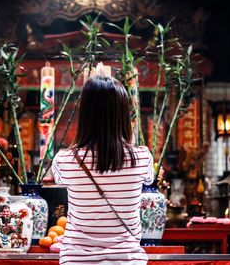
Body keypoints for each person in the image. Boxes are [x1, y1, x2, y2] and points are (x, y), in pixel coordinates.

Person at [52, 75, 154, 264]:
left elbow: (59, 181)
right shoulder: (142, 157)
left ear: (84, 114)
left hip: (77, 260)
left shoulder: (63, 160)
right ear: (123, 113)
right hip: (127, 260)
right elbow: (148, 180)